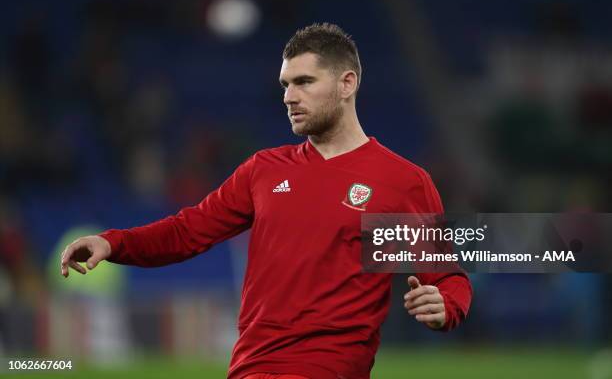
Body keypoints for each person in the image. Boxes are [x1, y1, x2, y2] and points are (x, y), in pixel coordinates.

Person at [60, 23, 472, 379]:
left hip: (324, 369)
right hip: (249, 367)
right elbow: (188, 232)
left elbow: (447, 275)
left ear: (347, 83)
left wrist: (445, 305)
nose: (289, 96)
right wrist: (114, 243)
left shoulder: (399, 182)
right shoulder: (264, 170)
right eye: (285, 84)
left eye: (304, 82)